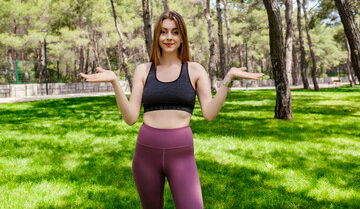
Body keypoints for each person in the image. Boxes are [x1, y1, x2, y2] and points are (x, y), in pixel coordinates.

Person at [80, 11, 264, 209]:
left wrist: (228, 80)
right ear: (157, 37)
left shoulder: (195, 70)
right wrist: (115, 82)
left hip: (181, 154)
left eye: (175, 32)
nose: (169, 37)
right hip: (145, 155)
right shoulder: (143, 70)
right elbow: (131, 118)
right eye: (164, 32)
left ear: (182, 36)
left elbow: (209, 114)